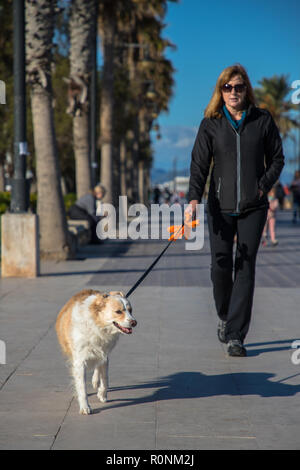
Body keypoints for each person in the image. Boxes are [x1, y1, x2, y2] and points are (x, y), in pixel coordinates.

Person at [187, 64, 284, 357]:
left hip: (253, 207)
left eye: (238, 87)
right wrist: (193, 200)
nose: (233, 92)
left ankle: (236, 335)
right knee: (220, 266)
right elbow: (199, 165)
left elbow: (277, 159)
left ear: (246, 90)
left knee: (245, 267)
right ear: (220, 91)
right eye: (227, 87)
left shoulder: (262, 120)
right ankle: (225, 314)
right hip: (219, 207)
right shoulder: (211, 123)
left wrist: (261, 186)